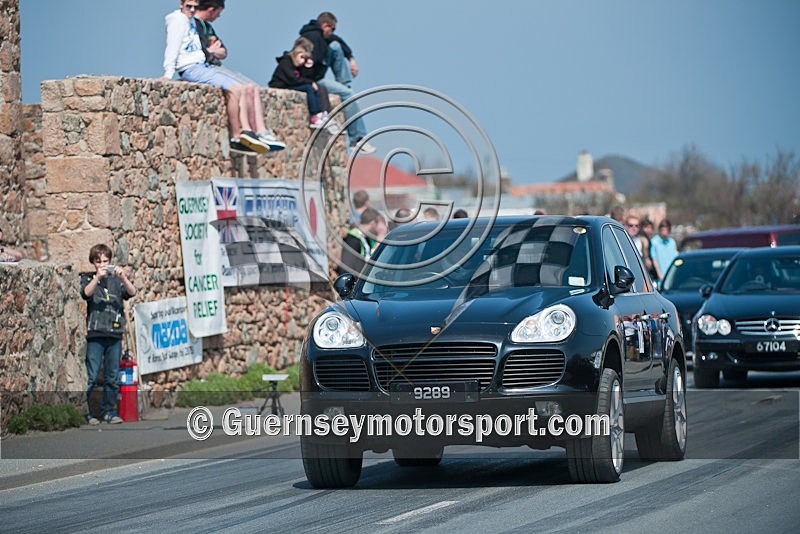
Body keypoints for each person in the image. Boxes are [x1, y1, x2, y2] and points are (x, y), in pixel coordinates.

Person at [165, 0, 285, 155]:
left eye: (195, 6)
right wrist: (168, 75)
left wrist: (210, 52)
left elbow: (221, 51)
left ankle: (249, 133)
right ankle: (238, 136)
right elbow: (172, 48)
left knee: (242, 88)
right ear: (181, 4)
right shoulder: (177, 21)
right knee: (237, 89)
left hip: (202, 65)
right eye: (189, 6)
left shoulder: (192, 22)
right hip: (193, 68)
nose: (193, 9)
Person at [299, 12, 375, 154]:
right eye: (332, 29)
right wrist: (310, 82)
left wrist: (351, 58)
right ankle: (357, 138)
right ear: (325, 26)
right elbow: (304, 63)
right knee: (348, 94)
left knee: (335, 46)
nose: (332, 32)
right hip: (314, 80)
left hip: (317, 74)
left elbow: (338, 40)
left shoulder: (321, 35)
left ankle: (344, 84)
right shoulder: (312, 38)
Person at [80, 244, 137, 425]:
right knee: (91, 375)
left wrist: (123, 277)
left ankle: (109, 411)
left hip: (114, 333)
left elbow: (132, 292)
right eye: (99, 261)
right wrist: (97, 277)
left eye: (106, 261)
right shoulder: (88, 278)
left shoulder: (115, 281)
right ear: (93, 262)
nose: (102, 264)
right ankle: (86, 412)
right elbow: (85, 293)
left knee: (112, 376)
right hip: (95, 334)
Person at [269, 37, 341, 136]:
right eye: (302, 57)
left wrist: (308, 67)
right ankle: (316, 115)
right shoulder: (286, 62)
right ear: (295, 54)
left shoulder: (298, 65)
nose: (303, 61)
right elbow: (293, 79)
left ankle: (324, 115)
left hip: (290, 85)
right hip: (281, 86)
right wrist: (310, 83)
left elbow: (305, 77)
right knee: (308, 87)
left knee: (318, 88)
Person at [340, 207, 387, 275]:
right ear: (373, 223)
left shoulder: (366, 239)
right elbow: (347, 268)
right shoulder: (353, 239)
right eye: (379, 224)